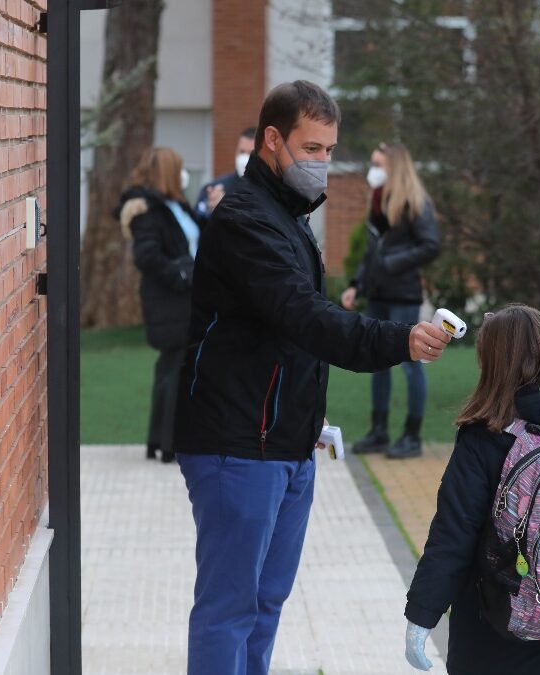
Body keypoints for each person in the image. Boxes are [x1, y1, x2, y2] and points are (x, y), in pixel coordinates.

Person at [171, 80, 452, 675]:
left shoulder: (288, 218)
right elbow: (304, 317)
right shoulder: (246, 219)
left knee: (265, 603)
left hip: (287, 444)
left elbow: (284, 341)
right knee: (229, 608)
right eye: (313, 148)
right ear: (273, 141)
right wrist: (398, 339)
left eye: (330, 150)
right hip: (237, 445)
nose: (324, 163)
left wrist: (309, 420)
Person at [403, 305, 540, 675]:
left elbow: (453, 535)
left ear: (493, 364)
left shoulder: (484, 437)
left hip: (494, 637)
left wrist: (421, 615)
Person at [341, 143, 441, 459]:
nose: (372, 169)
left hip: (403, 294)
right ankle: (379, 431)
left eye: (377, 163)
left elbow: (430, 245)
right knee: (377, 362)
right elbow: (372, 251)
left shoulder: (415, 202)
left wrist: (392, 262)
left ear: (395, 166)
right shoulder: (378, 199)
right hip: (378, 294)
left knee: (412, 366)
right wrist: (356, 283)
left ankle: (411, 436)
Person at [116, 146, 203, 463]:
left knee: (173, 368)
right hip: (170, 302)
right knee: (174, 368)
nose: (184, 175)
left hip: (186, 300)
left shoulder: (176, 205)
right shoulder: (147, 211)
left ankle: (162, 441)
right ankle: (169, 444)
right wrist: (182, 275)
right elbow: (147, 256)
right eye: (178, 168)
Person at [194, 126, 256, 217]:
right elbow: (198, 221)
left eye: (251, 153)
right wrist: (210, 209)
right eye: (242, 152)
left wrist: (227, 205)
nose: (244, 159)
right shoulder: (217, 187)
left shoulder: (270, 189)